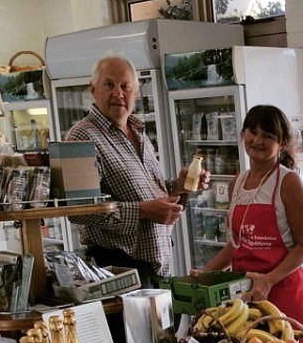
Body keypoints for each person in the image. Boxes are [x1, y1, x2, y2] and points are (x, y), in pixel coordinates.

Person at [66, 54, 209, 288]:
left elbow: (150, 193)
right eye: (109, 85)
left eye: (125, 86)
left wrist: (178, 186)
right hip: (115, 269)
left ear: (136, 92)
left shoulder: (139, 133)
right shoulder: (81, 136)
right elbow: (78, 209)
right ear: (93, 90)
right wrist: (142, 211)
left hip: (155, 268)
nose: (118, 94)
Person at [191, 105, 303, 328]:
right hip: (244, 296)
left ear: (281, 144)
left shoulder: (288, 182)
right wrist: (205, 273)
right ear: (243, 134)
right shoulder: (236, 183)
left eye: (268, 136)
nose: (258, 141)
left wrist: (269, 279)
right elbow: (237, 244)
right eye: (253, 132)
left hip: (282, 292)